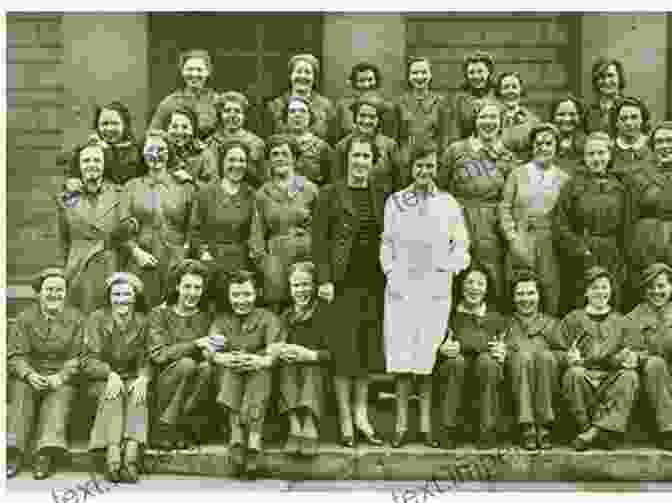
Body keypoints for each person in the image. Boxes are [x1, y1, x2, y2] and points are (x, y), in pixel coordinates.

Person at [380, 142, 470, 448]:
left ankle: (427, 426)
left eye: (429, 166)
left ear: (437, 168)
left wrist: (450, 268)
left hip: (434, 288)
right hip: (402, 289)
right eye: (419, 166)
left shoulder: (448, 203)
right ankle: (402, 426)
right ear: (410, 168)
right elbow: (387, 243)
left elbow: (461, 244)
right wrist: (392, 273)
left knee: (428, 358)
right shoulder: (395, 202)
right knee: (403, 359)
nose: (424, 171)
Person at [312, 134, 390, 447]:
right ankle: (345, 418)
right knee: (345, 354)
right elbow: (319, 241)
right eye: (355, 156)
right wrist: (324, 280)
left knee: (366, 351)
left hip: (373, 283)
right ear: (347, 159)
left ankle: (361, 414)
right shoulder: (330, 194)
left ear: (373, 162)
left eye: (366, 157)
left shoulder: (382, 195)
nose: (360, 162)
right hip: (341, 285)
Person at [7, 268, 85, 479]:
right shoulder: (25, 319)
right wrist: (29, 374)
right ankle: (13, 452)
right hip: (30, 375)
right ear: (39, 293)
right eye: (49, 289)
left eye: (59, 290)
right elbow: (15, 355)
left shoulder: (77, 319)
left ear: (66, 293)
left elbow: (79, 357)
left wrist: (60, 376)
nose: (54, 294)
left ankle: (45, 453)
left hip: (61, 376)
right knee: (21, 393)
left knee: (59, 397)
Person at [206, 270, 285, 477]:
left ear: (256, 293)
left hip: (259, 378)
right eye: (236, 295)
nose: (241, 301)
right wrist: (221, 358)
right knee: (230, 371)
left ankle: (253, 439)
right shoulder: (221, 320)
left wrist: (261, 360)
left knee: (260, 374)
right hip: (229, 376)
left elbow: (275, 349)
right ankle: (236, 433)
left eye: (247, 294)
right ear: (229, 296)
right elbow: (211, 348)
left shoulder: (268, 318)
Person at [440, 100, 518, 304]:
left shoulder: (507, 156)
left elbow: (510, 197)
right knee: (456, 272)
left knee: (490, 273)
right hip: (458, 220)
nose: (488, 122)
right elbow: (440, 188)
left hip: (491, 224)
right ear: (475, 121)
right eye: (483, 117)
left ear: (501, 123)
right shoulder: (455, 150)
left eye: (494, 117)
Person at [557, 266, 639, 451]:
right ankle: (590, 429)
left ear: (611, 290)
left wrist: (631, 357)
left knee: (630, 377)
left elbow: (637, 351)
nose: (600, 292)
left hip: (611, 380)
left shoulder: (621, 321)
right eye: (594, 287)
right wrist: (567, 357)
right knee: (574, 373)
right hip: (584, 377)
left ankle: (592, 434)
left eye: (604, 287)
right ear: (586, 292)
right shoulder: (573, 319)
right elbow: (556, 350)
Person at [82, 272, 150, 483]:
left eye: (127, 294)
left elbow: (149, 356)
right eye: (116, 294)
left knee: (138, 395)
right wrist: (109, 373)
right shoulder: (96, 319)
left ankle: (130, 457)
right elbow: (87, 360)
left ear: (135, 297)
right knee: (113, 393)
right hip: (101, 380)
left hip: (131, 376)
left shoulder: (144, 322)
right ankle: (112, 458)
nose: (122, 299)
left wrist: (144, 378)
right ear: (109, 297)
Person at [554, 132, 630, 313]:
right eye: (591, 154)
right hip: (582, 254)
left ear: (609, 155)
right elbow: (560, 224)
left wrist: (623, 255)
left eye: (601, 153)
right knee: (582, 299)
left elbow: (628, 225)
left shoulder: (621, 187)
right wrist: (580, 248)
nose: (597, 159)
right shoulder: (572, 186)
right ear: (584, 157)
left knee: (611, 299)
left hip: (613, 253)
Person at [499, 123, 571, 316]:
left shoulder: (563, 179)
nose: (543, 147)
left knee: (549, 289)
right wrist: (512, 238)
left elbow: (566, 214)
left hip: (550, 243)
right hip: (521, 240)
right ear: (532, 147)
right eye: (538, 143)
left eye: (548, 143)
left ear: (556, 147)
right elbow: (505, 207)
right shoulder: (517, 173)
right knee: (519, 289)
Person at [435, 264, 509, 449]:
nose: (474, 288)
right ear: (461, 285)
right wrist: (440, 348)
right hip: (454, 372)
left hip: (484, 373)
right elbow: (432, 344)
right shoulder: (447, 314)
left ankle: (488, 429)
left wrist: (503, 351)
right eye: (469, 282)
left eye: (480, 284)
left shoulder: (495, 318)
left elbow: (498, 346)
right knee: (456, 362)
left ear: (486, 289)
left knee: (488, 363)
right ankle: (448, 428)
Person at [56, 140, 134, 314]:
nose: (92, 165)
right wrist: (63, 274)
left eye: (97, 161)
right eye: (86, 161)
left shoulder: (119, 193)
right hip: (77, 269)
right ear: (79, 166)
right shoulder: (67, 199)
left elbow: (126, 232)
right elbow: (63, 240)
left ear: (105, 165)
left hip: (109, 267)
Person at [123, 130, 195, 307]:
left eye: (161, 149)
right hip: (142, 258)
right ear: (142, 153)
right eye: (150, 149)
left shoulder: (184, 187)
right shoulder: (131, 186)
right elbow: (122, 224)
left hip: (175, 260)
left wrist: (183, 255)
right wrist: (135, 251)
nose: (156, 154)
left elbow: (194, 226)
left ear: (169, 153)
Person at [148, 259, 214, 450]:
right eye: (187, 286)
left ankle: (181, 427)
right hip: (164, 381)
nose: (192, 293)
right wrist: (195, 344)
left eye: (197, 287)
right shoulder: (159, 314)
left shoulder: (206, 316)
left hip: (194, 386)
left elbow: (208, 354)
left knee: (206, 369)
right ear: (177, 286)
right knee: (186, 364)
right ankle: (164, 427)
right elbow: (159, 354)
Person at [256, 135, 319, 310]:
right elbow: (256, 234)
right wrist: (265, 263)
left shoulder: (308, 188)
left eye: (285, 153)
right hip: (276, 259)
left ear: (295, 158)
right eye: (274, 154)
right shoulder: (263, 194)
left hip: (305, 256)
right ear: (268, 160)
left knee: (306, 306)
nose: (280, 158)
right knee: (278, 307)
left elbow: (321, 228)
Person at [189, 140, 265, 281]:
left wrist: (255, 257)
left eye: (242, 160)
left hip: (242, 264)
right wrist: (204, 255)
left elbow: (257, 232)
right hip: (211, 263)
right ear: (222, 162)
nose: (237, 165)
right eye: (231, 160)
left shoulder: (252, 194)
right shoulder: (205, 194)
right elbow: (194, 231)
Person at [276, 262, 331, 457]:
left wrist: (310, 354)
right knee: (285, 366)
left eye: (306, 284)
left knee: (310, 366)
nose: (301, 290)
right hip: (292, 372)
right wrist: (283, 350)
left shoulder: (325, 312)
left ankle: (309, 423)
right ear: (290, 288)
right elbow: (276, 343)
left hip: (318, 373)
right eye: (296, 285)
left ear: (315, 286)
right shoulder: (286, 315)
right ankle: (294, 424)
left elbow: (335, 352)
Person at [504, 270, 561, 450]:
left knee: (544, 356)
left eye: (531, 293)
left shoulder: (551, 324)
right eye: (520, 294)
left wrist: (548, 355)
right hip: (514, 386)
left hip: (546, 383)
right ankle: (527, 426)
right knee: (521, 356)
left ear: (539, 296)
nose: (525, 299)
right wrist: (503, 354)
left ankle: (544, 426)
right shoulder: (505, 324)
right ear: (513, 298)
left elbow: (565, 354)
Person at [625, 263, 672, 450]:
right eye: (650, 287)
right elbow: (632, 353)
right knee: (655, 364)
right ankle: (668, 430)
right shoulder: (633, 318)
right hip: (651, 386)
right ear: (644, 291)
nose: (656, 292)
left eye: (661, 286)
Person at [627, 121, 672, 293]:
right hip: (647, 243)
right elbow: (629, 217)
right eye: (659, 142)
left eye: (669, 141)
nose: (665, 146)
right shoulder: (639, 175)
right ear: (652, 146)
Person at [62, 101, 145, 192]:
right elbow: (71, 174)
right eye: (104, 124)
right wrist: (71, 180)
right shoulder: (86, 149)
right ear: (97, 126)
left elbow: (120, 177)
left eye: (114, 123)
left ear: (125, 125)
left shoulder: (137, 151)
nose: (109, 128)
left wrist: (106, 150)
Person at [333, 92, 402, 190]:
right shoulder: (342, 146)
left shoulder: (390, 146)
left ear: (378, 120)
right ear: (355, 117)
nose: (366, 121)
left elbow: (398, 181)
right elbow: (337, 182)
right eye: (362, 116)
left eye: (372, 117)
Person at [149, 49, 219, 141]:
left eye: (199, 69)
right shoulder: (169, 102)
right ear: (182, 71)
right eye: (189, 69)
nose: (194, 74)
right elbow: (152, 133)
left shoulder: (217, 101)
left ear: (208, 72)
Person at [394, 57, 451, 167]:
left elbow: (444, 138)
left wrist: (440, 161)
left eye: (424, 72)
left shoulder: (441, 103)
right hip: (406, 162)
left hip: (431, 161)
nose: (419, 77)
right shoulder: (400, 103)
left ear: (430, 75)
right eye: (415, 73)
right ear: (409, 76)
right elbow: (396, 139)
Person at [265, 53, 336, 142]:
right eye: (298, 71)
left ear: (314, 77)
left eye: (308, 72)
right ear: (290, 76)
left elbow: (333, 139)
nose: (302, 76)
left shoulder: (326, 106)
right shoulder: (275, 106)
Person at [209, 91, 267, 188]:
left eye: (237, 111)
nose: (232, 115)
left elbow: (263, 178)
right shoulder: (211, 142)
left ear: (244, 115)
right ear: (221, 115)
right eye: (227, 111)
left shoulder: (257, 143)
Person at [334, 62, 396, 141]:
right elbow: (337, 137)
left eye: (370, 80)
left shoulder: (388, 107)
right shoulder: (342, 106)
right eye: (361, 80)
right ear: (354, 83)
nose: (366, 84)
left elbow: (391, 139)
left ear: (377, 81)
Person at [283, 95, 334, 186]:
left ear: (310, 116)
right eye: (292, 111)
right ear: (286, 117)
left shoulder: (323, 148)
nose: (297, 115)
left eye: (302, 111)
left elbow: (329, 181)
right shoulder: (278, 144)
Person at [448, 51, 497, 143]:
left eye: (480, 71)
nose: (476, 76)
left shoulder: (498, 96)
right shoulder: (457, 100)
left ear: (489, 72)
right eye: (471, 72)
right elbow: (454, 134)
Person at [161, 106, 218, 186]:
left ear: (193, 130)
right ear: (167, 129)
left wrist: (190, 180)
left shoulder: (205, 155)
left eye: (185, 127)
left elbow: (213, 188)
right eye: (174, 126)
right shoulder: (160, 152)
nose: (179, 132)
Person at [495, 72, 540, 159]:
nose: (510, 91)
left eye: (514, 87)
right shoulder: (491, 119)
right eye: (506, 87)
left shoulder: (533, 121)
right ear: (499, 91)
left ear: (521, 90)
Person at [609, 96, 654, 181]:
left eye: (634, 117)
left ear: (642, 120)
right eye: (623, 119)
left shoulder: (652, 145)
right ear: (616, 123)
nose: (628, 123)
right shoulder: (610, 149)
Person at [550, 94, 588, 176]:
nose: (567, 119)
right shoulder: (544, 143)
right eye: (561, 114)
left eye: (572, 114)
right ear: (553, 117)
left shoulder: (587, 144)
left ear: (579, 117)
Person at [586, 58, 627, 133]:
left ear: (620, 78)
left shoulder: (631, 107)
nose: (606, 81)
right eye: (601, 77)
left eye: (610, 75)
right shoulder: (589, 111)